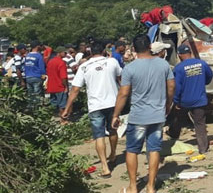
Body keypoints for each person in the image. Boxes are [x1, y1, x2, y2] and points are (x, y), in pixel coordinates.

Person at [112, 34, 175, 193]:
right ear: (150, 47)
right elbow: (171, 87)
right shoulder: (163, 65)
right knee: (154, 150)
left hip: (138, 116)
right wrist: (168, 105)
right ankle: (151, 186)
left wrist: (115, 115)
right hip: (157, 115)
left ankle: (133, 186)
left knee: (132, 150)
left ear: (134, 49)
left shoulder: (130, 68)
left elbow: (124, 94)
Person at [62, 41, 121, 178]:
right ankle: (112, 154)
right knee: (113, 130)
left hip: (95, 106)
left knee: (99, 136)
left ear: (89, 53)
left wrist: (67, 108)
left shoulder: (84, 67)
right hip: (112, 102)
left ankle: (105, 167)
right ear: (104, 51)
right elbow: (121, 79)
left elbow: (75, 89)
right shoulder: (112, 62)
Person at [167, 44, 213, 154]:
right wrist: (203, 82)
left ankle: (173, 137)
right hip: (200, 100)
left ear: (179, 55)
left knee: (178, 119)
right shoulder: (202, 64)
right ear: (190, 53)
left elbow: (177, 87)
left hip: (184, 101)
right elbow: (210, 76)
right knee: (200, 124)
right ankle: (203, 148)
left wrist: (176, 101)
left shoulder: (179, 68)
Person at [46, 48, 69, 121]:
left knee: (53, 104)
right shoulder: (61, 62)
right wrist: (65, 86)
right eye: (64, 52)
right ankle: (63, 120)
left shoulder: (50, 61)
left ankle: (52, 119)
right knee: (62, 105)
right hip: (59, 86)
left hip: (51, 86)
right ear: (60, 53)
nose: (66, 54)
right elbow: (63, 77)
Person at [23, 40, 46, 108]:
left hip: (28, 77)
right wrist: (44, 75)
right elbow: (42, 68)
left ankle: (31, 108)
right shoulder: (39, 56)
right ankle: (37, 109)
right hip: (36, 77)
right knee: (37, 95)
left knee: (30, 95)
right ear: (37, 46)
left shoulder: (27, 56)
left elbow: (25, 66)